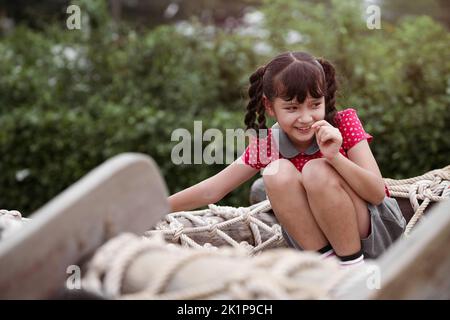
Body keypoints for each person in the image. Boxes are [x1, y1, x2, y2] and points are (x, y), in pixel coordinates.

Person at [168, 51, 405, 266]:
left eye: (315, 105)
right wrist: (158, 208)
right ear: (269, 107)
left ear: (325, 99)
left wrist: (335, 157)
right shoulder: (269, 144)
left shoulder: (343, 124)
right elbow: (212, 190)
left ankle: (353, 267)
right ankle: (329, 266)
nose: (305, 118)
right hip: (321, 249)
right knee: (277, 172)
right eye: (292, 108)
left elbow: (376, 193)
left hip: (375, 232)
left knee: (316, 169)